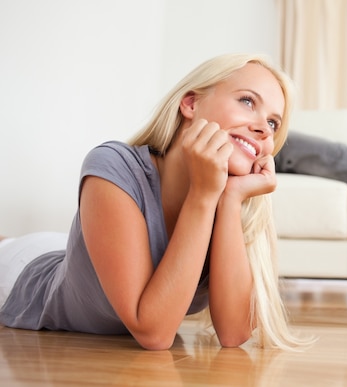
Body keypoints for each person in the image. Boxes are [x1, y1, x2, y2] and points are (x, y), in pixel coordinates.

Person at [0, 53, 313, 351]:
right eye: (247, 101)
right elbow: (153, 332)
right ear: (191, 103)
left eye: (273, 123)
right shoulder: (113, 166)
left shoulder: (234, 200)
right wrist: (203, 196)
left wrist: (229, 200)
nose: (263, 129)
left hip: (74, 255)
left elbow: (234, 333)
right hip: (21, 270)